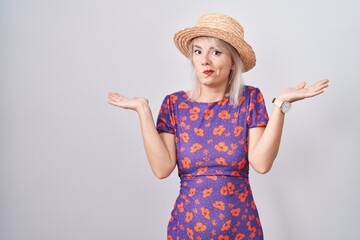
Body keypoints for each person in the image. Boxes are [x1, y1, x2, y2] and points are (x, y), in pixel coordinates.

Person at [108, 13, 329, 240]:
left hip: (241, 230)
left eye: (215, 52)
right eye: (198, 51)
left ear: (233, 61)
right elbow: (162, 169)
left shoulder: (249, 99)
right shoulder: (174, 104)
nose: (205, 60)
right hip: (187, 230)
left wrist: (280, 104)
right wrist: (143, 110)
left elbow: (261, 164)